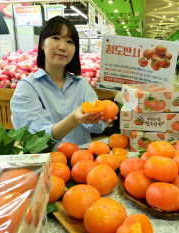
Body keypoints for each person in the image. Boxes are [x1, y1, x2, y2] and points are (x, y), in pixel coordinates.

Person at [10, 16, 115, 148]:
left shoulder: (81, 84)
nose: (63, 47)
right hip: (47, 163)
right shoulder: (27, 87)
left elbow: (95, 128)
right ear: (42, 44)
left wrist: (100, 119)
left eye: (70, 41)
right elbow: (36, 138)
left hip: (80, 163)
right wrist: (74, 118)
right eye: (56, 38)